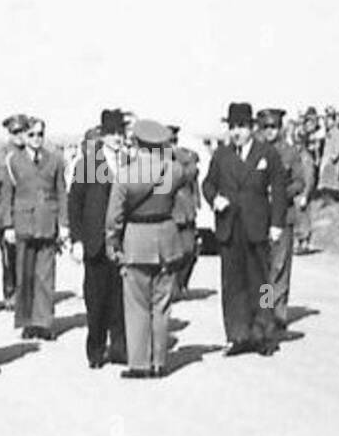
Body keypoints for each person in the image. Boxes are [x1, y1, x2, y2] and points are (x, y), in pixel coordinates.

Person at [201, 101, 285, 356]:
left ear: (251, 128)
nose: (236, 132)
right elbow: (208, 184)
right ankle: (238, 334)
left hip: (257, 226)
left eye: (242, 127)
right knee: (233, 284)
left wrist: (277, 223)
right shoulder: (221, 155)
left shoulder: (266, 153)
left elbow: (279, 190)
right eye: (233, 127)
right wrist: (214, 200)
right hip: (230, 228)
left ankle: (265, 332)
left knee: (263, 285)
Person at [106, 118, 185, 378]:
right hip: (166, 239)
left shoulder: (127, 176)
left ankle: (139, 362)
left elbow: (114, 217)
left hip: (137, 240)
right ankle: (159, 362)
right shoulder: (174, 171)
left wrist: (112, 242)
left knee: (137, 305)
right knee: (161, 306)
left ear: (137, 143)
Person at [68, 109, 128, 368]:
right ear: (102, 135)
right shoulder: (89, 164)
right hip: (94, 242)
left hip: (122, 241)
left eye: (119, 132)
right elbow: (75, 202)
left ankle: (119, 348)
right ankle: (95, 349)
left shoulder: (129, 163)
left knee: (120, 297)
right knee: (96, 298)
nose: (116, 138)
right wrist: (77, 239)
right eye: (111, 133)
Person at [0, 117, 68, 339]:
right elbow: (6, 196)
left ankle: (44, 322)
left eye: (40, 134)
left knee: (45, 276)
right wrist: (7, 225)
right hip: (24, 223)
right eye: (31, 135)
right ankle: (28, 322)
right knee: (25, 275)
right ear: (23, 137)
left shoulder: (55, 160)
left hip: (47, 222)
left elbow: (61, 193)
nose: (36, 139)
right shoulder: (13, 161)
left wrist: (64, 224)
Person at [257, 107, 311, 335]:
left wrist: (280, 192)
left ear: (280, 128)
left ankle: (279, 312)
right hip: (260, 216)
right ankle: (265, 309)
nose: (270, 132)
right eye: (266, 127)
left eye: (274, 127)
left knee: (280, 266)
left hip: (283, 215)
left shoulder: (290, 153)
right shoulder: (256, 152)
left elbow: (299, 182)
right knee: (263, 267)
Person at [0, 115, 30, 305]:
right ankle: (10, 293)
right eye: (16, 132)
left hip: (28, 214)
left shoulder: (32, 152)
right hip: (8, 214)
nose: (20, 136)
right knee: (9, 258)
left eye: (23, 131)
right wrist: (6, 222)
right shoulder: (2, 156)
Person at [167, 122, 202, 294]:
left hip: (186, 211)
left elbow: (192, 177)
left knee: (189, 250)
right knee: (171, 253)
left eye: (173, 141)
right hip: (170, 212)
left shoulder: (186, 157)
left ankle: (181, 284)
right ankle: (173, 288)